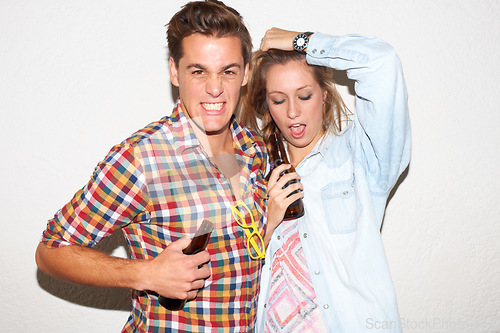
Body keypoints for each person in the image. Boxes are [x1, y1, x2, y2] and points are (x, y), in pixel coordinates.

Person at [35, 1, 268, 331]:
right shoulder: (143, 158)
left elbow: (240, 239)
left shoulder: (250, 147)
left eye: (227, 71)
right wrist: (145, 273)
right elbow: (50, 252)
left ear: (245, 73)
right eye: (198, 71)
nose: (215, 88)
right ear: (175, 71)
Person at [240, 28, 411, 332]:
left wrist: (301, 41)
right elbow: (231, 269)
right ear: (267, 107)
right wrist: (268, 218)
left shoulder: (361, 157)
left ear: (325, 94)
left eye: (304, 96)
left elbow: (381, 63)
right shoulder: (250, 175)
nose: (293, 112)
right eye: (279, 100)